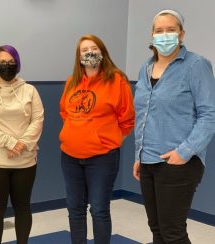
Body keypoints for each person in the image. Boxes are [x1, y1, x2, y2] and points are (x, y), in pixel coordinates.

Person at [133, 9, 215, 244]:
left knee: (173, 233)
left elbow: (209, 115)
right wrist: (139, 154)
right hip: (148, 160)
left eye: (171, 29)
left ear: (181, 34)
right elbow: (144, 115)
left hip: (178, 162)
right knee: (157, 230)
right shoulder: (145, 68)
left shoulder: (196, 65)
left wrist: (184, 152)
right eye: (159, 31)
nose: (165, 35)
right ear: (152, 35)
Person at [59, 34, 135, 244]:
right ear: (78, 56)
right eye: (84, 50)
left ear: (102, 52)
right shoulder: (71, 82)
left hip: (102, 158)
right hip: (70, 156)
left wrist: (107, 140)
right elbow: (65, 112)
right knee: (75, 208)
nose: (89, 52)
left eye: (93, 48)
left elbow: (127, 119)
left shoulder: (117, 80)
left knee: (99, 209)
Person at [0, 45, 44, 244]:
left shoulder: (30, 90)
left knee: (23, 207)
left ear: (18, 64)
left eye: (11, 62)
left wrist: (21, 145)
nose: (7, 66)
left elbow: (38, 120)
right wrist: (11, 143)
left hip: (25, 162)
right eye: (2, 62)